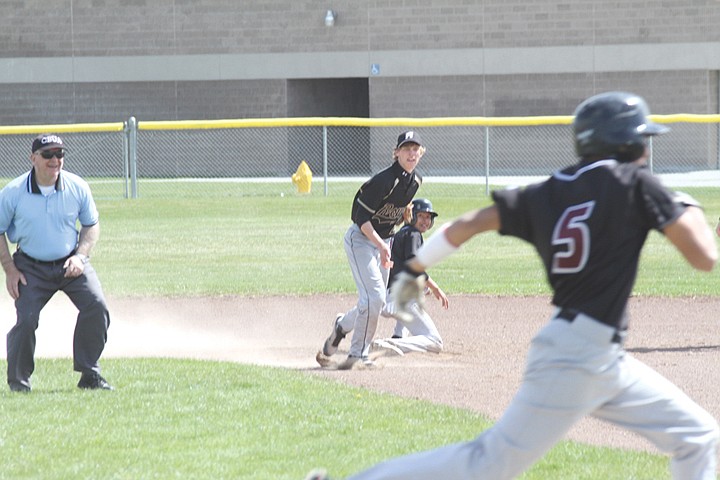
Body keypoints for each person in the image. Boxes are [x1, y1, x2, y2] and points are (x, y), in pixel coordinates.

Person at [312, 91, 720, 479]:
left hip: (589, 353)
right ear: (626, 144)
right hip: (581, 356)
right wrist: (684, 203)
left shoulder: (551, 189)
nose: (646, 148)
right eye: (642, 139)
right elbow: (705, 257)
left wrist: (415, 267)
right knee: (486, 463)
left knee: (698, 436)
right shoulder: (638, 184)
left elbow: (467, 224)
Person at [0, 133, 113, 393]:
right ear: (33, 158)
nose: (55, 160)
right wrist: (10, 269)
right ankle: (19, 383)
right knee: (26, 320)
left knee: (96, 306)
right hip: (30, 267)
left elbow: (91, 225)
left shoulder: (77, 186)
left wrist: (81, 256)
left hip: (70, 261)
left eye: (59, 154)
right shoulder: (13, 192)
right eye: (48, 154)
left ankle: (89, 374)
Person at [316, 131, 424, 370]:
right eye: (406, 149)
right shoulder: (383, 180)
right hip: (361, 240)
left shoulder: (416, 182)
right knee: (375, 298)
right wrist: (382, 246)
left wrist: (389, 242)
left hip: (384, 242)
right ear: (396, 153)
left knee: (374, 302)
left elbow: (394, 214)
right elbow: (360, 217)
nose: (411, 153)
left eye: (415, 149)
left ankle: (341, 326)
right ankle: (357, 354)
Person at [374, 198, 448, 355]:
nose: (425, 221)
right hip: (401, 298)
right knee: (435, 341)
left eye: (428, 217)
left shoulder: (402, 232)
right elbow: (413, 267)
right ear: (412, 215)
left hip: (389, 297)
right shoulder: (413, 234)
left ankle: (398, 335)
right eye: (421, 216)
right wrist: (435, 288)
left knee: (421, 290)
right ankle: (392, 344)